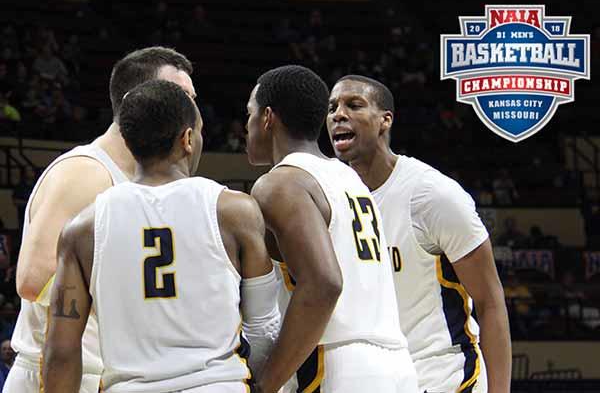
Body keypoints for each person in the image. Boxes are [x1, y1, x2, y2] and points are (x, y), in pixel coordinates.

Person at [42, 80, 279, 393]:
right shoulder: (235, 210)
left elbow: (60, 352)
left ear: (128, 141)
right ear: (188, 139)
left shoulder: (82, 229)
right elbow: (264, 326)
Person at [6, 46, 196, 393]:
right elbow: (32, 279)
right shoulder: (85, 171)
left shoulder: (144, 180)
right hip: (57, 377)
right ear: (132, 102)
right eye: (180, 95)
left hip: (106, 375)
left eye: (192, 98)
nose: (191, 110)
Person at [326, 75, 511, 393]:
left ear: (385, 120)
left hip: (446, 377)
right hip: (376, 380)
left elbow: (490, 300)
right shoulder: (329, 193)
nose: (338, 115)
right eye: (332, 108)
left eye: (354, 105)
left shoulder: (431, 194)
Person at [246, 65, 417, 393]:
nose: (246, 125)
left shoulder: (279, 184)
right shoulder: (349, 178)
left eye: (249, 113)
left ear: (268, 118)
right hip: (396, 363)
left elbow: (323, 283)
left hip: (337, 365)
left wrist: (267, 383)